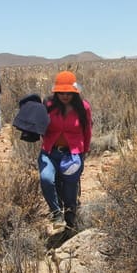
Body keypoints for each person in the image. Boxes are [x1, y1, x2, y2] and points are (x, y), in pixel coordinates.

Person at [39, 71, 92, 232]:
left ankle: (70, 225)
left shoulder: (83, 108)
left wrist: (84, 153)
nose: (64, 96)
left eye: (68, 92)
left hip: (73, 155)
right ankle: (56, 213)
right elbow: (39, 126)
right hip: (50, 151)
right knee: (46, 179)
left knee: (69, 193)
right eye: (61, 92)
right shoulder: (48, 105)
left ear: (74, 92)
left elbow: (87, 131)